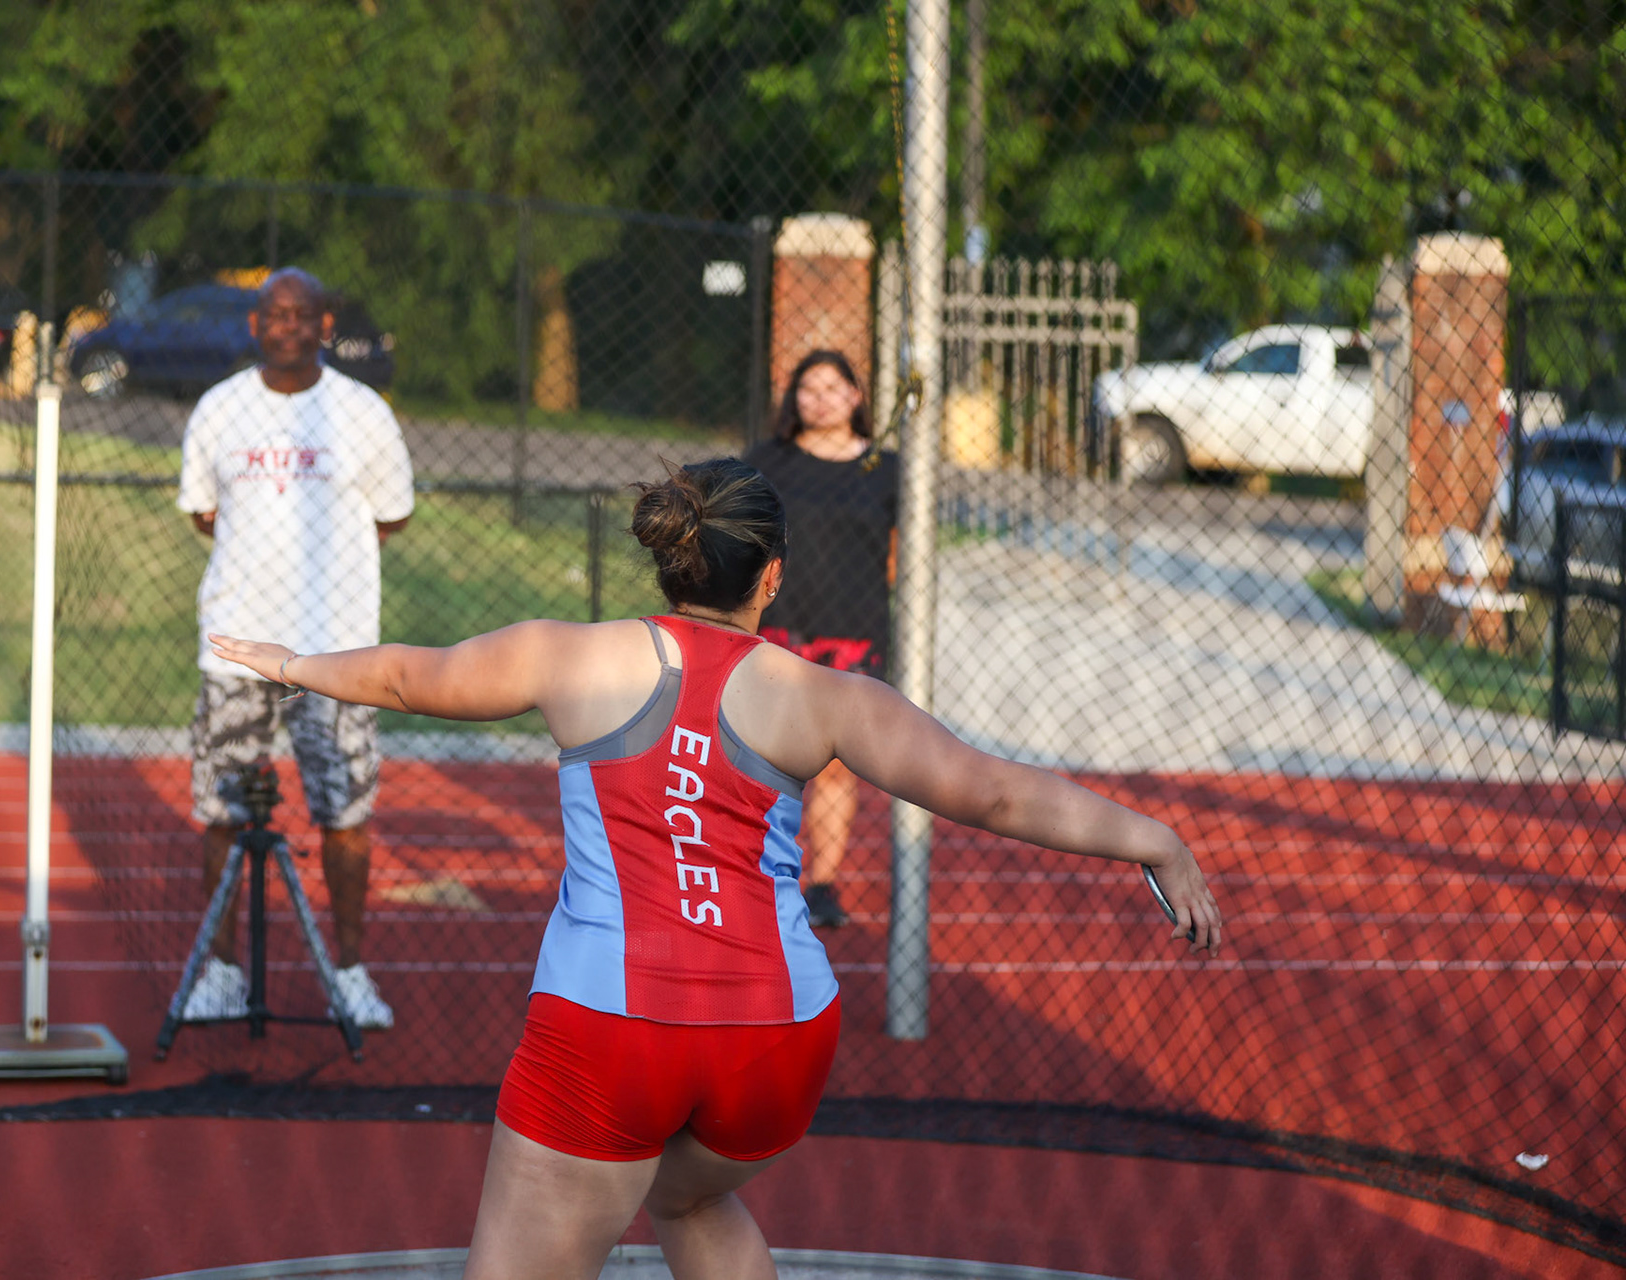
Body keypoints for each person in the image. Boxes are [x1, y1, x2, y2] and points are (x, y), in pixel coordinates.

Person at [208, 457, 1222, 1280]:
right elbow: (994, 793)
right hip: (775, 1041)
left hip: (610, 1029)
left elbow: (400, 675)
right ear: (771, 575)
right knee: (687, 1193)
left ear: (669, 562)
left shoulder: (569, 654)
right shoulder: (825, 697)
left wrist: (293, 664)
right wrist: (1157, 839)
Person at [176, 267, 415, 1030]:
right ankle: (218, 970)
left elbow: (392, 515)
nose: (287, 325)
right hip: (238, 653)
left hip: (338, 656)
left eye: (301, 314)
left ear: (324, 323)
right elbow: (204, 511)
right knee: (221, 812)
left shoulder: (361, 412)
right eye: (274, 314)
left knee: (344, 814)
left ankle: (347, 970)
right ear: (255, 325)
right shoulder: (220, 409)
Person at [745, 349, 896, 929]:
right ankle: (757, 872)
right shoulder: (767, 461)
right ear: (793, 397)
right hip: (779, 628)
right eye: (809, 387)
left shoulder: (885, 467)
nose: (822, 397)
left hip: (854, 633)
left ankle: (823, 885)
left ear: (856, 396)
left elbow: (896, 555)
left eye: (834, 387)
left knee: (835, 765)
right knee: (764, 755)